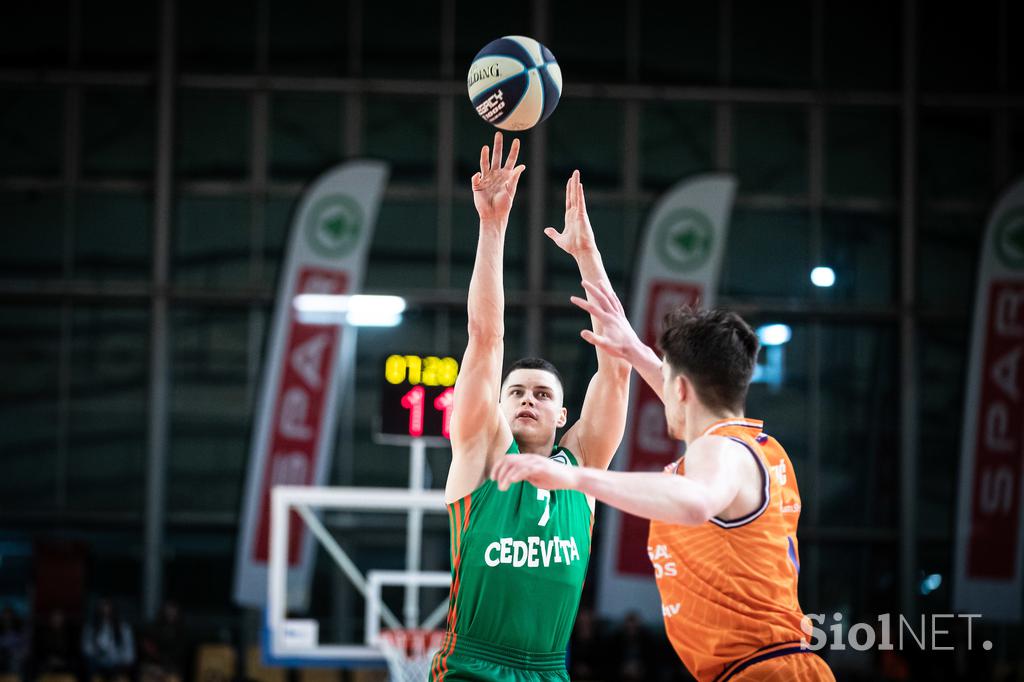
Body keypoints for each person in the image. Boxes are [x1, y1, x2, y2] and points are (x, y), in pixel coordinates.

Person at [494, 278, 835, 681]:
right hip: (772, 667)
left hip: (763, 671)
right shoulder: (755, 446)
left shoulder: (718, 450)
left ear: (682, 389)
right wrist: (635, 350)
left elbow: (695, 501)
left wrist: (572, 476)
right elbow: (687, 398)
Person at [430, 133, 631, 681]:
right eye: (516, 391)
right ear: (498, 405)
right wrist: (491, 227)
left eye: (543, 394)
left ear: (563, 416)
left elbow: (617, 365)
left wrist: (587, 255)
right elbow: (485, 337)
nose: (527, 399)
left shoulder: (583, 467)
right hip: (471, 666)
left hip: (548, 671)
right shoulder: (479, 452)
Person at [81, 598, 134, 681]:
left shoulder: (123, 628)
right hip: (98, 662)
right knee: (87, 666)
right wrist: (97, 652)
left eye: (108, 609)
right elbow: (86, 647)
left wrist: (119, 659)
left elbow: (129, 653)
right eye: (103, 609)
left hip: (117, 663)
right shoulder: (91, 627)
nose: (106, 612)